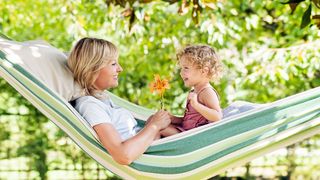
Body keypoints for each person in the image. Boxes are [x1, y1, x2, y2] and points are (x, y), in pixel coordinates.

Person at [67, 37, 171, 165]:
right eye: (113, 64)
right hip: (152, 155)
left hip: (156, 144)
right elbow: (123, 155)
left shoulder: (103, 99)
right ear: (93, 68)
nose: (120, 69)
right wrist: (154, 126)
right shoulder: (90, 106)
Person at [160, 45, 223, 137]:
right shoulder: (194, 91)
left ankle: (149, 149)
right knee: (154, 120)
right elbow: (189, 121)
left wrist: (196, 105)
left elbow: (217, 116)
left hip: (193, 136)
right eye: (181, 68)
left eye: (185, 68)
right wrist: (173, 118)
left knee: (157, 128)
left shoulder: (207, 92)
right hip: (186, 131)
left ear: (203, 71)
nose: (181, 73)